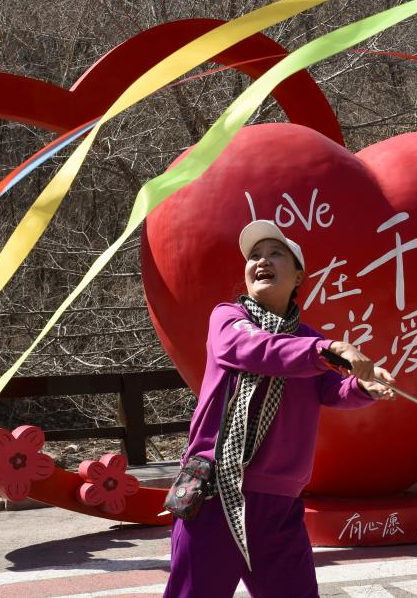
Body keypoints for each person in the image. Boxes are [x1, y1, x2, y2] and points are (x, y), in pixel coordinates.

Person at [164, 220, 395, 598]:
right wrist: (328, 350)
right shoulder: (228, 319)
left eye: (275, 253)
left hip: (280, 501)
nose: (262, 260)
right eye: (254, 255)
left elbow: (333, 390)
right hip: (214, 492)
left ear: (298, 276)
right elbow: (256, 350)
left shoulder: (309, 341)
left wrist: (362, 386)